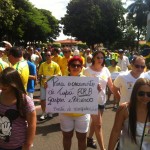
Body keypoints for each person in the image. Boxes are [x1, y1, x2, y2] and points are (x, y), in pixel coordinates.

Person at [0, 67, 36, 150]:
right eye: (1, 82)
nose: (2, 86)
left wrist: (28, 144)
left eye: (6, 83)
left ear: (14, 83)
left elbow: (32, 124)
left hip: (18, 146)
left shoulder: (25, 100)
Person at [108, 78, 150, 150]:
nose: (145, 97)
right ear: (135, 93)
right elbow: (116, 131)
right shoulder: (124, 109)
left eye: (149, 94)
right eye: (141, 93)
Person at [83, 50, 113, 150]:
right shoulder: (87, 71)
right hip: (91, 101)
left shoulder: (106, 70)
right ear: (93, 58)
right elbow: (81, 87)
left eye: (102, 58)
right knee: (99, 125)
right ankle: (103, 148)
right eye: (98, 57)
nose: (100, 59)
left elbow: (111, 86)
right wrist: (92, 87)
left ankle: (89, 139)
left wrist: (119, 95)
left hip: (102, 100)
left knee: (95, 123)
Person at [59, 56, 90, 150]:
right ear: (69, 67)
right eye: (73, 65)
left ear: (81, 68)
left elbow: (91, 97)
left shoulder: (88, 80)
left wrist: (97, 90)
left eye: (78, 65)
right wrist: (49, 87)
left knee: (82, 138)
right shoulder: (61, 80)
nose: (76, 67)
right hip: (65, 114)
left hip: (82, 114)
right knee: (67, 137)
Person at [38, 51, 62, 121]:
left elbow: (59, 74)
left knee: (51, 99)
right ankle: (43, 113)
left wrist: (53, 76)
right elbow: (39, 74)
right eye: (46, 55)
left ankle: (50, 112)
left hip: (52, 85)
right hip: (43, 84)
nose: (47, 57)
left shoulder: (55, 65)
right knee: (43, 99)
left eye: (49, 55)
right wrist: (42, 76)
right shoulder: (42, 64)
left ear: (51, 56)